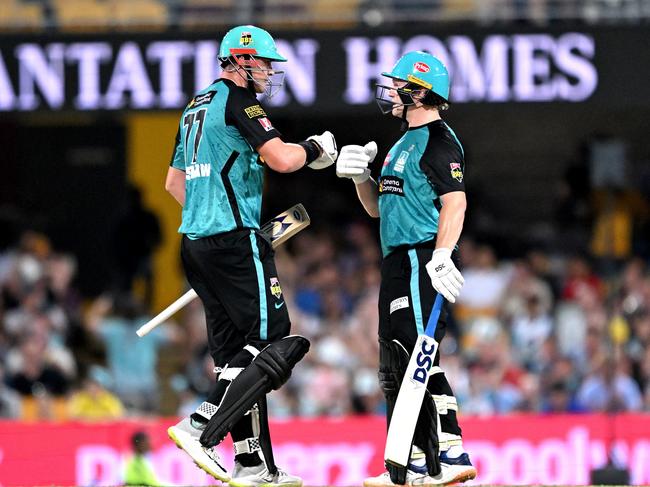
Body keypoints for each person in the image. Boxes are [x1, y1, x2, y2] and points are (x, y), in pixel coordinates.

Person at [164, 25, 337, 487]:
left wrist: (210, 216)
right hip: (235, 241)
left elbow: (174, 184)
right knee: (270, 338)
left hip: (196, 243)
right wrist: (316, 148)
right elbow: (282, 158)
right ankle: (201, 423)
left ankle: (252, 461)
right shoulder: (240, 101)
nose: (268, 71)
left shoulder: (193, 107)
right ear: (240, 60)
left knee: (237, 361)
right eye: (263, 63)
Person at [335, 51, 477, 486]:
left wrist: (441, 254)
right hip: (397, 259)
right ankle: (410, 462)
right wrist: (360, 177)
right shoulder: (402, 142)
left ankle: (451, 452)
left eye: (399, 84)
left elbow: (456, 201)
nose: (391, 91)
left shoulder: (439, 141)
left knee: (420, 354)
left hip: (421, 257)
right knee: (396, 364)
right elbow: (379, 209)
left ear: (420, 92)